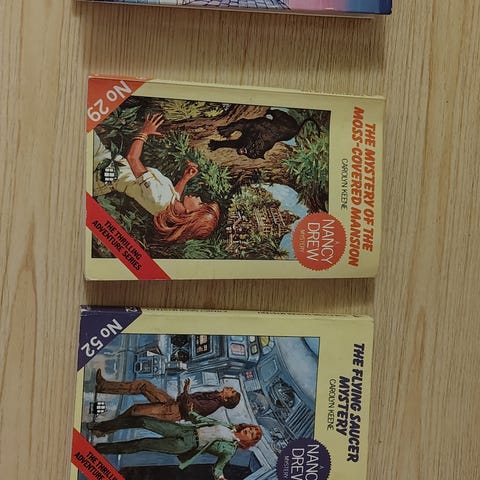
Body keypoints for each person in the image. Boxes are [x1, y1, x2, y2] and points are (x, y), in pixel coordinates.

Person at [93, 113, 220, 243]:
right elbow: (174, 194)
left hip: (101, 172)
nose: (199, 198)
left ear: (189, 213)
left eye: (200, 203)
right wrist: (185, 178)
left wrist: (144, 132)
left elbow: (132, 158)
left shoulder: (159, 199)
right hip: (108, 164)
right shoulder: (171, 206)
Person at [91, 412, 263, 480]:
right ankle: (100, 427)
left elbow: (218, 468)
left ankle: (99, 449)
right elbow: (204, 421)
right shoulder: (228, 425)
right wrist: (191, 412)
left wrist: (220, 478)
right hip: (184, 430)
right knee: (143, 420)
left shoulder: (230, 450)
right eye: (250, 428)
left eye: (251, 434)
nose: (248, 430)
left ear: (248, 441)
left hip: (185, 444)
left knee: (142, 444)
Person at [95, 370, 241, 422]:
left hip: (173, 412)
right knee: (144, 385)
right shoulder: (214, 394)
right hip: (173, 403)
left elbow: (188, 407)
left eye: (232, 391)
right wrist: (185, 393)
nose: (231, 388)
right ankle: (103, 386)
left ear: (226, 399)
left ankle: (103, 429)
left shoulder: (213, 404)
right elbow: (186, 399)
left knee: (135, 411)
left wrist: (185, 391)